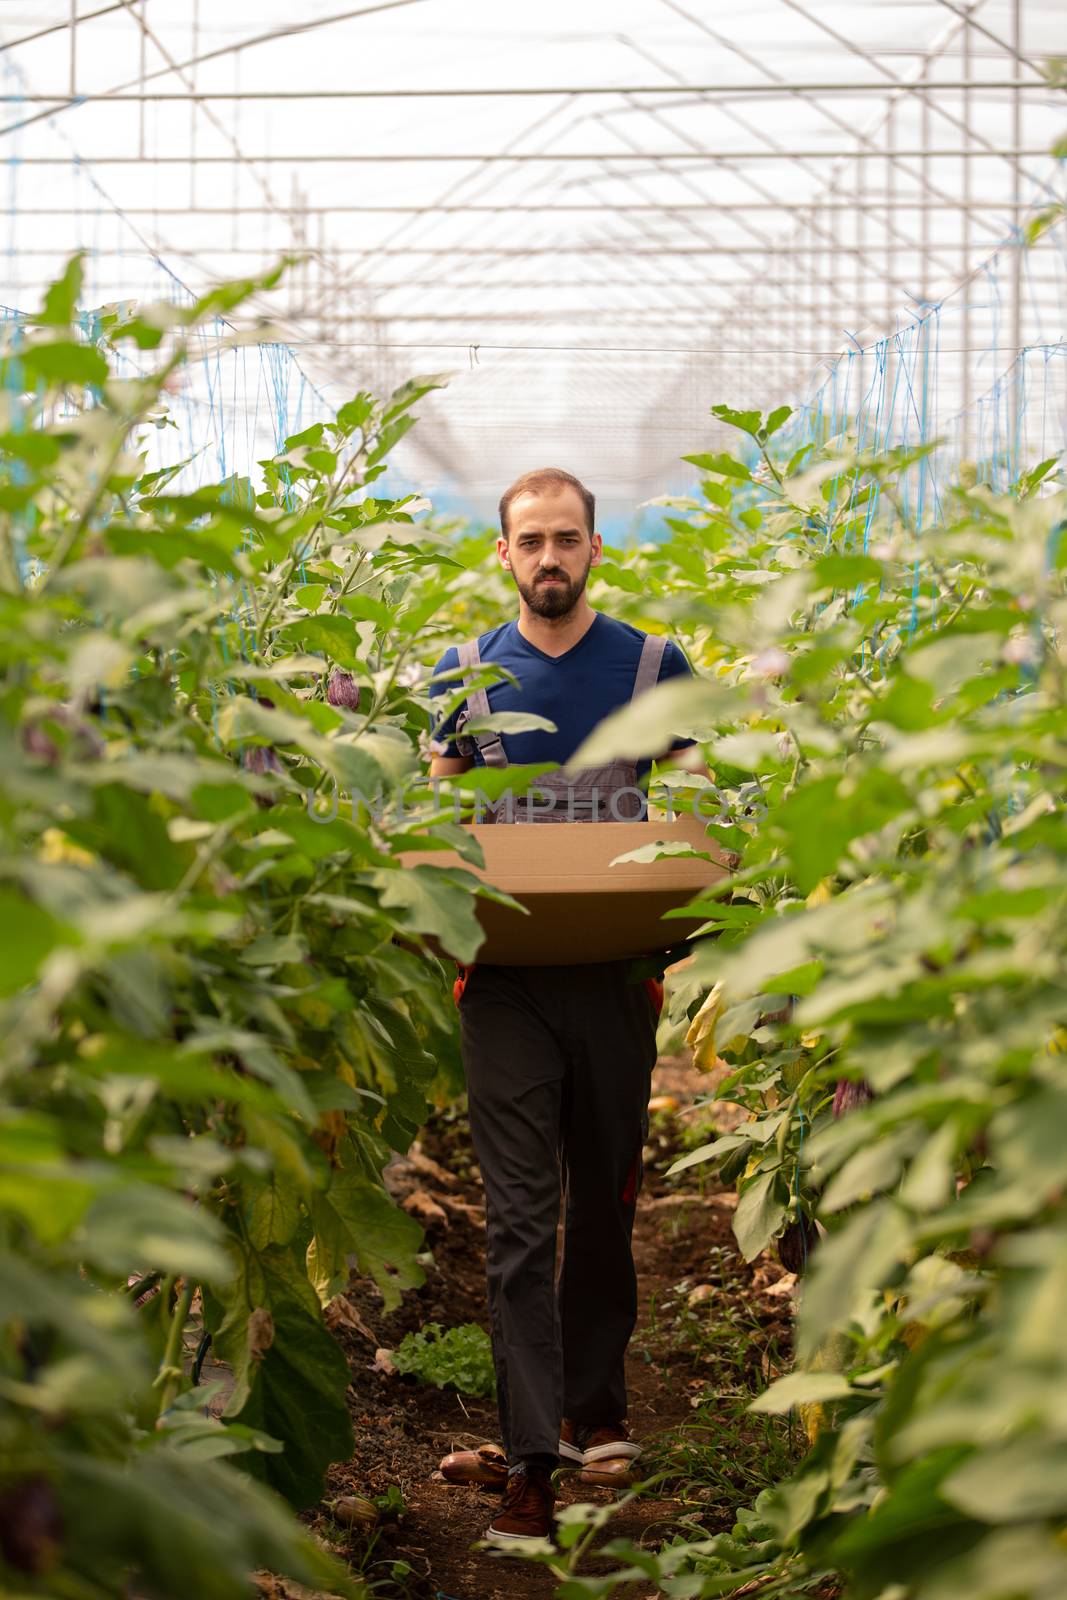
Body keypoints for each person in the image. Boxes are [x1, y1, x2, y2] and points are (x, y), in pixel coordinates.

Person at [426, 467, 706, 1546]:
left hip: (613, 977)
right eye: (529, 541)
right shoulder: (464, 673)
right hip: (502, 982)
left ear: (595, 548)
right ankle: (531, 1457)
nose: (548, 558)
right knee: (514, 1222)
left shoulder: (648, 667)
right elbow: (432, 810)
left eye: (566, 539)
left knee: (605, 1199)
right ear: (502, 553)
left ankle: (598, 1410)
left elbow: (698, 804)